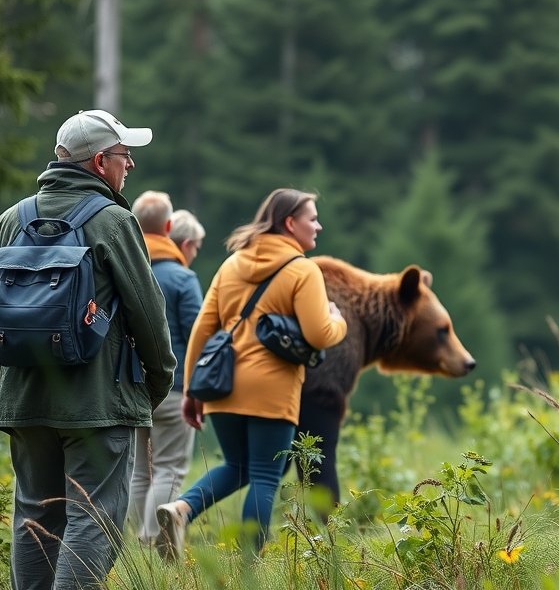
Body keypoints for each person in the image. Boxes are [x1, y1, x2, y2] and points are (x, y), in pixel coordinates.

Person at [0, 110, 176, 589]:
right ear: (99, 161)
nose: (130, 166)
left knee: (34, 519)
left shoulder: (12, 219)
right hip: (99, 403)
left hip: (25, 399)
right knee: (93, 519)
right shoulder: (115, 221)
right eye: (124, 156)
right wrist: (154, 387)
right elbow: (149, 313)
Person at [156, 188, 347, 559]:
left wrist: (194, 389)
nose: (318, 226)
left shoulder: (231, 265)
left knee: (238, 466)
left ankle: (181, 510)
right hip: (271, 390)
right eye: (312, 218)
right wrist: (338, 321)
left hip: (221, 385)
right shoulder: (303, 270)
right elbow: (319, 334)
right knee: (263, 476)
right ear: (290, 223)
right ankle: (248, 567)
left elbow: (202, 329)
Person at [127, 193, 205, 547]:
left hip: (130, 386)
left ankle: (134, 546)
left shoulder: (127, 268)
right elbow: (197, 336)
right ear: (168, 227)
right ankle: (155, 541)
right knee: (169, 468)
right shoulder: (181, 278)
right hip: (172, 389)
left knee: (139, 473)